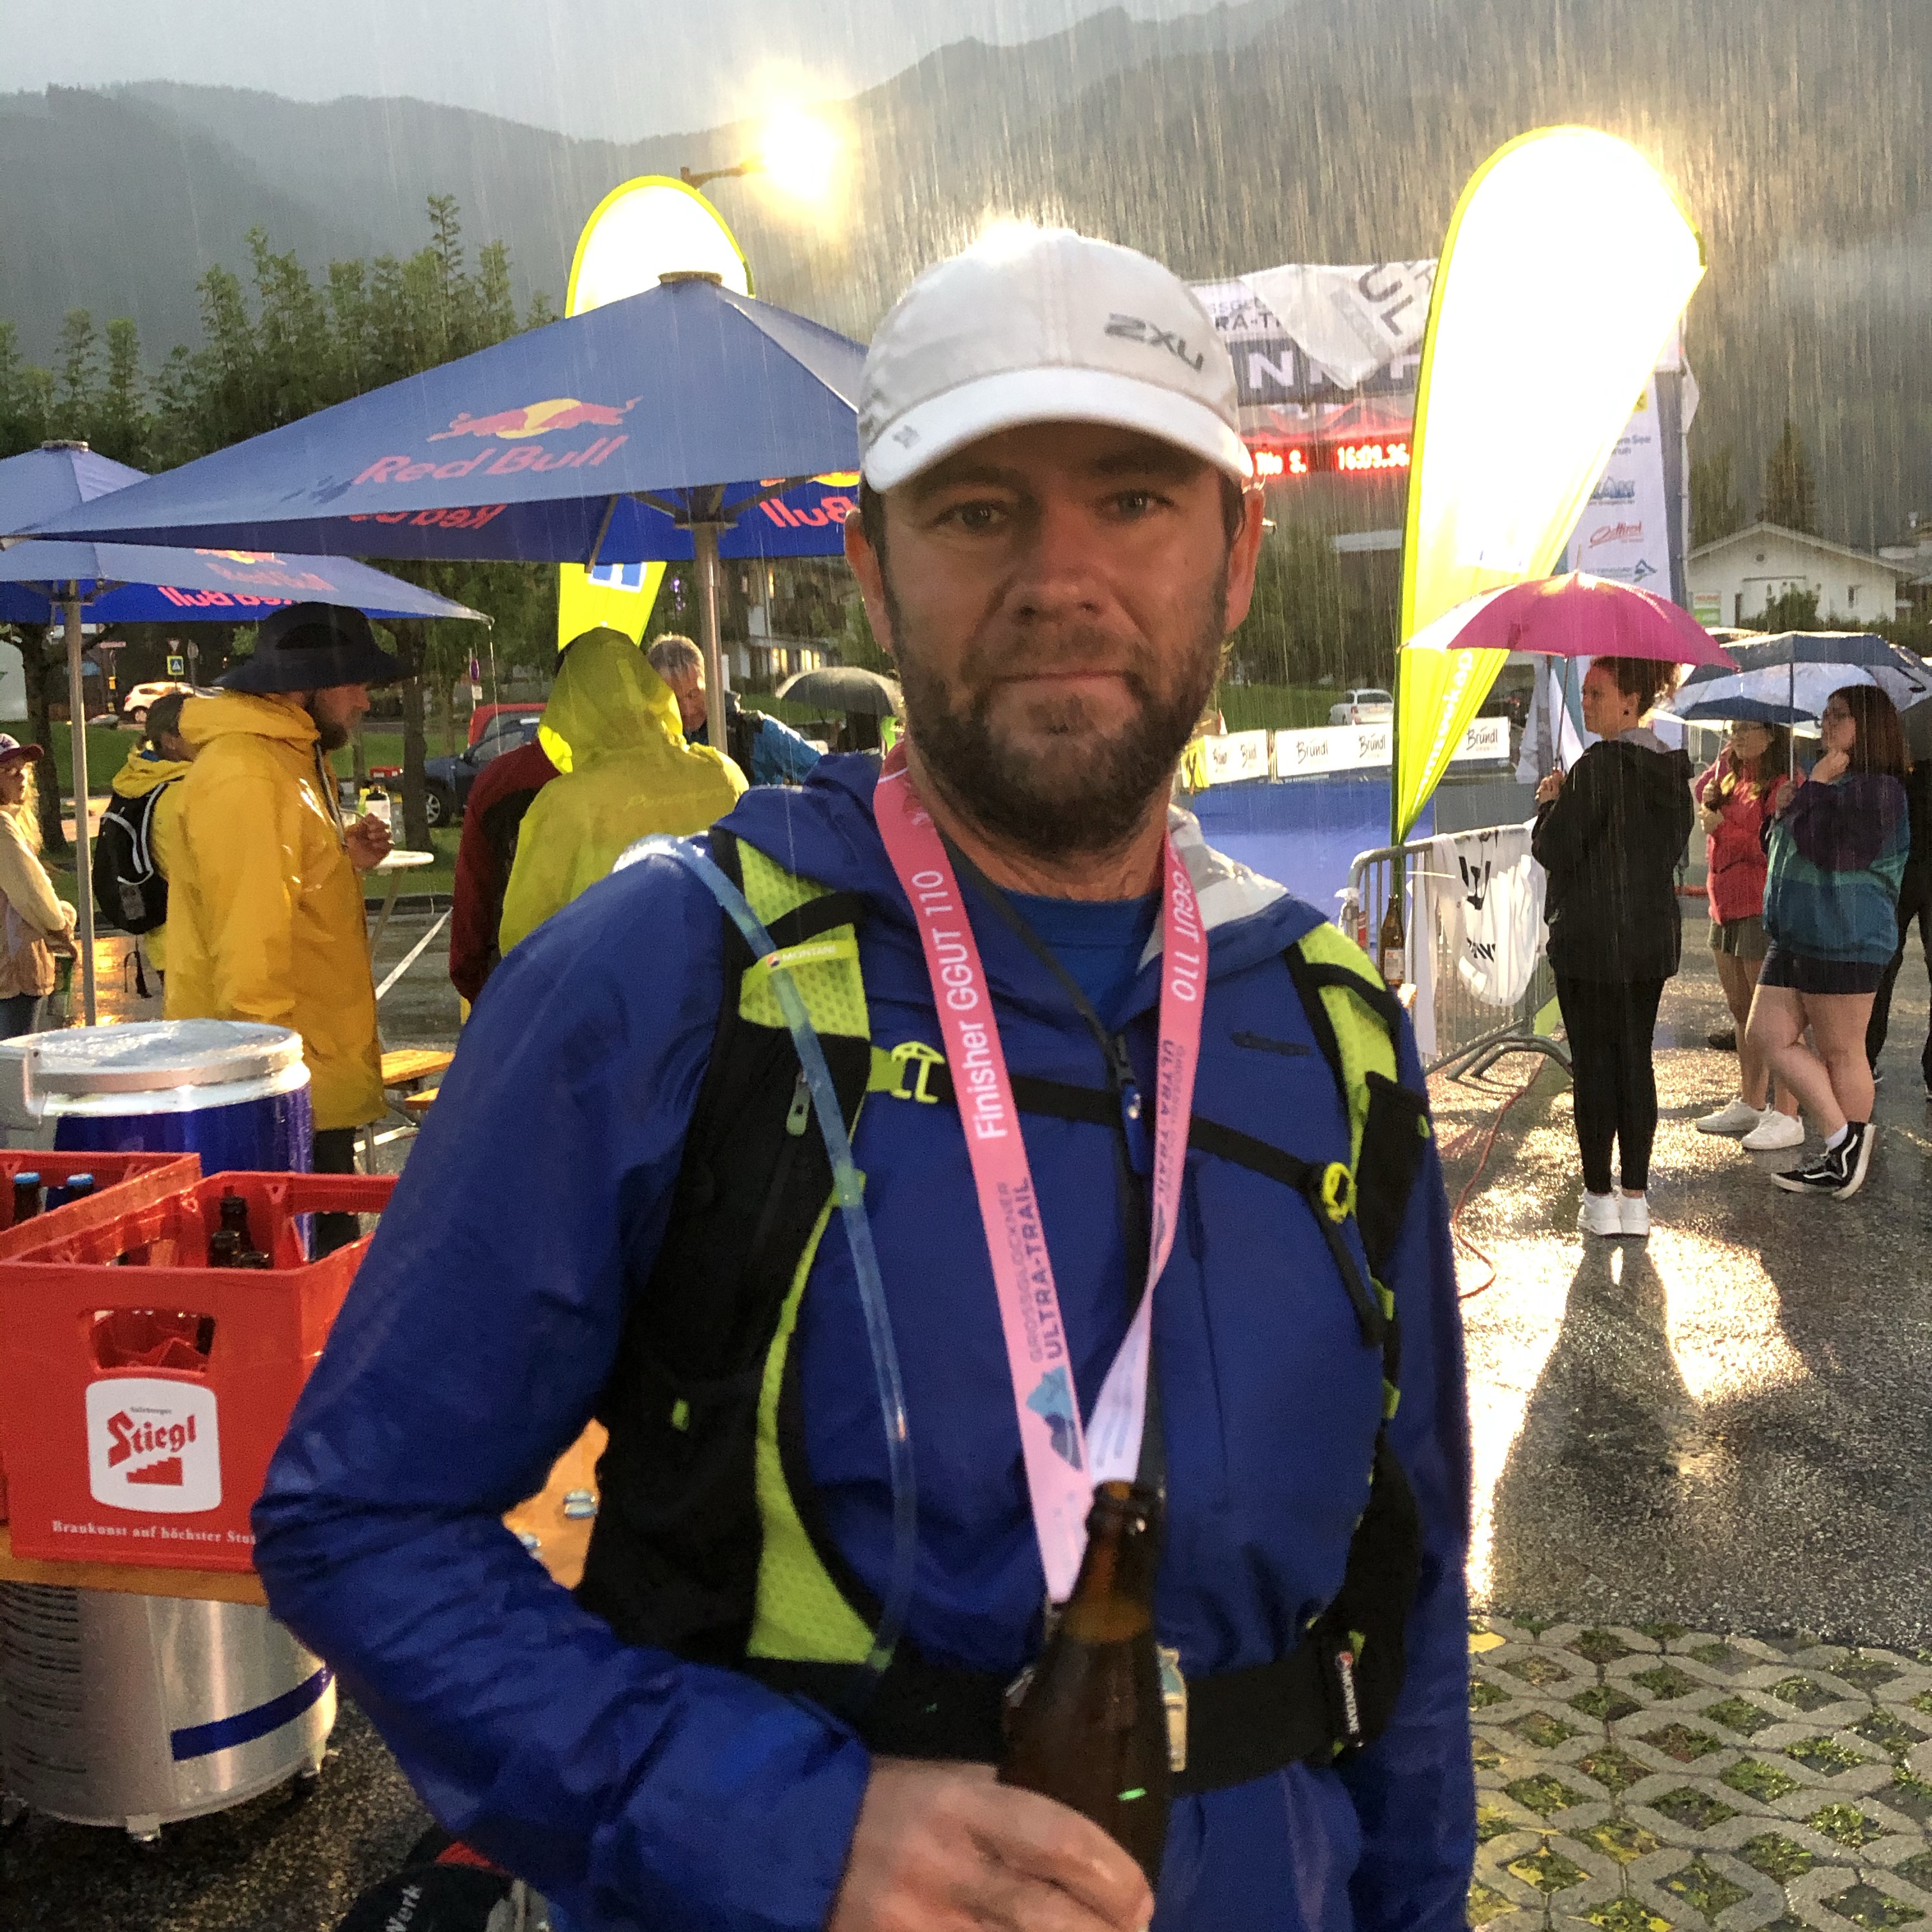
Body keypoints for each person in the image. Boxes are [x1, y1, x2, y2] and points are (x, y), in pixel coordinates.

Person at [255, 226, 1473, 1932]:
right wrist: (784, 1831)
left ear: (1237, 556)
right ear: (875, 574)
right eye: (978, 511)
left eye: (1133, 499)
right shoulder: (670, 978)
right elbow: (360, 1520)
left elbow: (1410, 1620)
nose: (1060, 577)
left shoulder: (1330, 1028)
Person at [165, 602, 397, 1250]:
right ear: (307, 683)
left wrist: (340, 856)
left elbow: (281, 889)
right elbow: (248, 945)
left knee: (320, 1268)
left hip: (305, 1075)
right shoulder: (249, 770)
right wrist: (270, 1096)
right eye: (355, 683)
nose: (364, 701)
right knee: (300, 1275)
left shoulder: (286, 755)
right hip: (284, 1087)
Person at [1533, 657, 1696, 1238]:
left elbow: (1554, 849)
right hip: (1646, 940)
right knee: (1634, 1061)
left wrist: (1551, 803)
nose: (1587, 703)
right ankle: (1637, 1198)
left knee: (1595, 1067)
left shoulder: (1599, 767)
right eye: (1584, 693)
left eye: (1597, 693)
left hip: (1590, 941)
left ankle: (1599, 1198)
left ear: (1631, 700)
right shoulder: (1670, 772)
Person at [496, 629, 745, 960]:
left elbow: (523, 941)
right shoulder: (722, 773)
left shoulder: (563, 805)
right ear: (649, 689)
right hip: (725, 980)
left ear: (570, 706)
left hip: (614, 987)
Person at [1750, 684, 1910, 1199]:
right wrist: (1781, 813)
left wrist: (1814, 790)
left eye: (1839, 715)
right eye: (1825, 713)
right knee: (1767, 1034)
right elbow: (1783, 850)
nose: (1826, 722)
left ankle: (1843, 1152)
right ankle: (1844, 1141)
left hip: (1845, 935)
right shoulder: (1823, 783)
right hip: (1796, 932)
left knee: (1842, 1052)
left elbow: (1834, 854)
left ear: (1868, 726)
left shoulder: (1880, 790)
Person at [1691, 721, 1803, 1150]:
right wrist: (1711, 789)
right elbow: (1703, 789)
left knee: (1775, 1018)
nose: (1736, 736)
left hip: (1760, 904)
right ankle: (1753, 1101)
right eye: (1733, 728)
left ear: (1771, 734)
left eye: (1747, 729)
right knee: (1741, 1010)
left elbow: (1769, 846)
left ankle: (1788, 1112)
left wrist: (1722, 827)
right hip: (1724, 903)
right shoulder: (1729, 768)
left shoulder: (1784, 782)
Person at [448, 726, 557, 1003]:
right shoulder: (656, 778)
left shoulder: (503, 779)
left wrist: (477, 986)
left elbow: (473, 896)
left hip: (516, 987)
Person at [1862, 698, 1932, 1094]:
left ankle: (1865, 1056)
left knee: (1882, 963)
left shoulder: (1900, 700)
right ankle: (1865, 1057)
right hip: (1903, 857)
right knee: (1882, 963)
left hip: (1899, 861)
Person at [105, 688, 197, 985]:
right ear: (170, 740)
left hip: (164, 941)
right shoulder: (180, 794)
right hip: (194, 947)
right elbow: (201, 875)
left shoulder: (140, 778)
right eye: (196, 729)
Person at [648, 632, 824, 785]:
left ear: (711, 682)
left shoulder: (755, 732)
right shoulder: (651, 748)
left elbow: (827, 775)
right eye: (674, 700)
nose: (687, 709)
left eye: (694, 694)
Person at [0, 736, 75, 1038]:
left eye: (23, 768)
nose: (20, 776)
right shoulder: (2, 827)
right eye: (8, 770)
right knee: (17, 1056)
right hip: (13, 964)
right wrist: (61, 924)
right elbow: (31, 890)